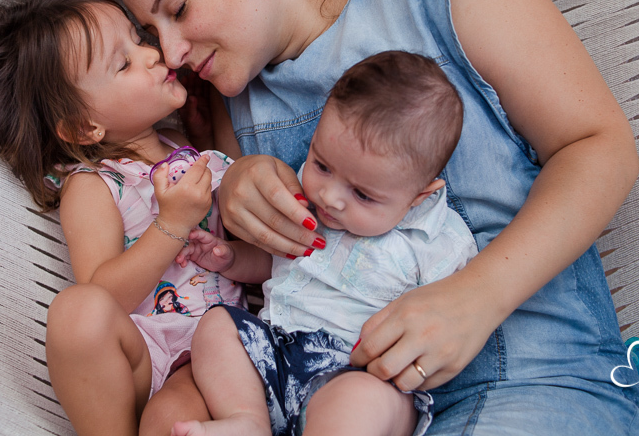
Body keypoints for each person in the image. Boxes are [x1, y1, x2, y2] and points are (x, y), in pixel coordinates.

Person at [105, 0, 639, 434]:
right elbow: (275, 287)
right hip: (331, 402)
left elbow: (601, 147)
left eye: (179, 6)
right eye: (151, 32)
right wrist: (239, 185)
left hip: (538, 379)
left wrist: (477, 296)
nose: (170, 52)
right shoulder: (232, 99)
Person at [0, 0, 271, 436]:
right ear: (85, 127)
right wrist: (172, 225)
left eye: (139, 39)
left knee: (170, 420)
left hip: (220, 350)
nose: (152, 53)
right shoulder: (93, 185)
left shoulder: (182, 143)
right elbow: (104, 294)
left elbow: (238, 181)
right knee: (77, 312)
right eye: (124, 63)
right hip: (145, 354)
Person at [171, 51, 478, 436]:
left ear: (418, 196)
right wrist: (230, 258)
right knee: (217, 326)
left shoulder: (439, 243)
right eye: (321, 165)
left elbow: (452, 320)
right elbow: (279, 262)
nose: (330, 197)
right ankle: (247, 421)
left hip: (355, 369)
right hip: (276, 353)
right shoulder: (311, 201)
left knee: (361, 403)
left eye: (363, 194)